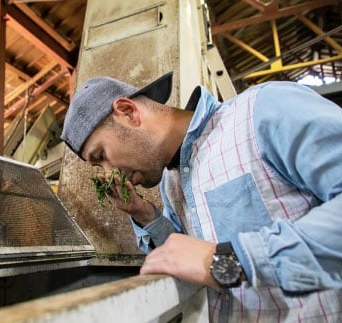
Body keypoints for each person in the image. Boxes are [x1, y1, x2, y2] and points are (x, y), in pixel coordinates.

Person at [60, 71, 342, 322]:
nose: (111, 172)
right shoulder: (171, 182)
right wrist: (143, 214)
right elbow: (192, 255)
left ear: (129, 112)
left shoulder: (262, 111)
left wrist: (228, 262)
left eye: (101, 156)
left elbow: (213, 260)